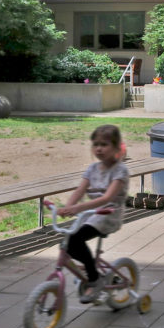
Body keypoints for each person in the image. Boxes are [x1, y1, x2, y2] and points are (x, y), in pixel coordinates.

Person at [58, 124, 129, 303]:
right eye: (95, 144)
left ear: (115, 147)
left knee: (75, 240)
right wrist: (68, 206)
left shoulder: (120, 170)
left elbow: (107, 198)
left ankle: (94, 279)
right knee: (67, 244)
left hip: (109, 214)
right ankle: (91, 270)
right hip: (92, 214)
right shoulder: (92, 169)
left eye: (104, 144)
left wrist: (77, 208)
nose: (99, 148)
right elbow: (80, 190)